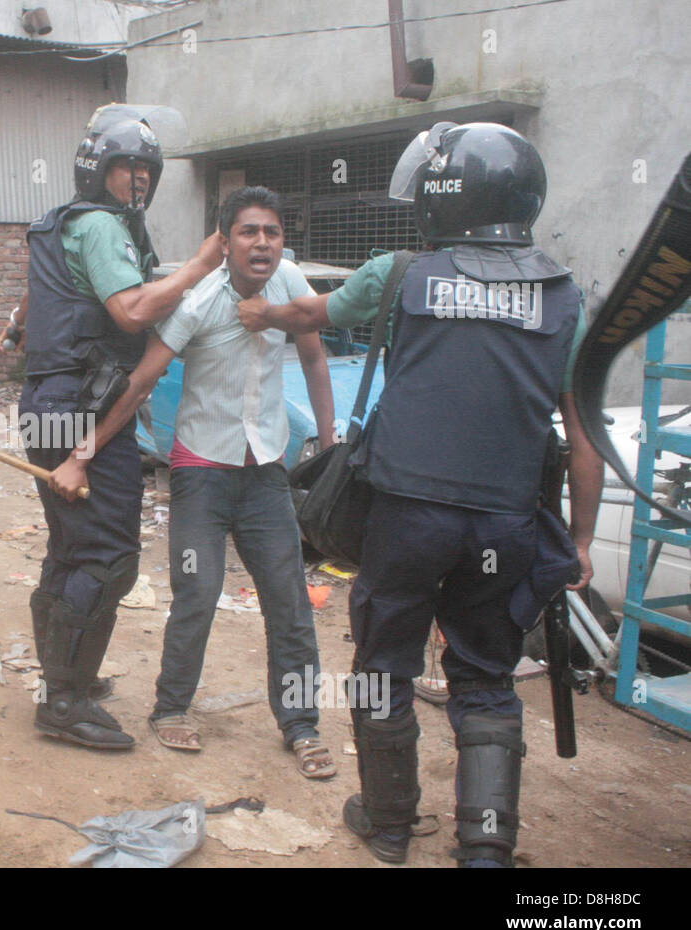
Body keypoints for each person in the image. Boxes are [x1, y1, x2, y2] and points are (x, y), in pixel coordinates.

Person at [237, 123, 604, 865]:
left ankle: (389, 821)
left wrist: (261, 311)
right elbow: (583, 437)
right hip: (506, 525)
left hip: (406, 516)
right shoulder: (566, 298)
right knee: (486, 681)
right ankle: (486, 849)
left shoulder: (402, 273)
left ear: (441, 199)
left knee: (383, 667)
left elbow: (313, 314)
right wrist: (584, 542)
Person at [49, 186, 338, 778]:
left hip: (265, 476)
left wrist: (329, 443)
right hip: (200, 473)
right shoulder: (199, 299)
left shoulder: (289, 285)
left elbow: (312, 355)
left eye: (272, 232)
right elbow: (140, 382)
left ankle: (301, 724)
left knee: (288, 602)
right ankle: (170, 707)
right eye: (248, 232)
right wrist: (82, 455)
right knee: (197, 593)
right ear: (224, 241)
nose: (262, 243)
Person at [5, 103, 223, 750]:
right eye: (128, 167)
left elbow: (38, 300)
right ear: (97, 169)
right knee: (109, 557)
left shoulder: (57, 224)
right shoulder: (101, 226)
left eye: (147, 170)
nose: (140, 179)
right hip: (83, 405)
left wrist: (19, 326)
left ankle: (63, 677)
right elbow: (130, 312)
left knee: (70, 546)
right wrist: (200, 265)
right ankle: (63, 700)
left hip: (52, 398)